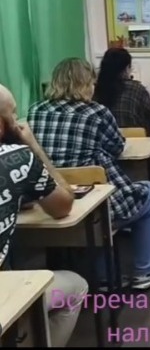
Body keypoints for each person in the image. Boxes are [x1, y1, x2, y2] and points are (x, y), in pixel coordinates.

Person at [27, 58, 150, 290]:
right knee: (149, 192)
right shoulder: (97, 112)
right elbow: (117, 147)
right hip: (92, 198)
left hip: (50, 198)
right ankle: (147, 270)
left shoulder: (35, 111)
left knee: (100, 207)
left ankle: (101, 275)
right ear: (86, 84)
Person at [0, 84, 88, 347]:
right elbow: (63, 205)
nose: (17, 121)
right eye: (13, 114)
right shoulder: (16, 158)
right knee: (76, 286)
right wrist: (33, 146)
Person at [93, 47, 150, 178]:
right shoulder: (136, 89)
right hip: (135, 159)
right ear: (126, 68)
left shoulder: (95, 91)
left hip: (102, 164)